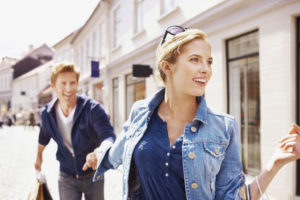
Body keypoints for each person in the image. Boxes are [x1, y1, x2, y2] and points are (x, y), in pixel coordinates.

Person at [85, 26, 300, 200]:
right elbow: (115, 155)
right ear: (167, 67)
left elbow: (232, 197)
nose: (205, 69)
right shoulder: (141, 112)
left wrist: (273, 165)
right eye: (195, 59)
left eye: (209, 61)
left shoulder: (224, 127)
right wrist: (96, 155)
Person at [34, 62, 116, 200]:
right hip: (66, 176)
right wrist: (39, 157)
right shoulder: (47, 114)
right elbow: (43, 137)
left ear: (77, 84)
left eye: (72, 83)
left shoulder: (93, 109)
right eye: (63, 83)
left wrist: (99, 151)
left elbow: (109, 136)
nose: (68, 88)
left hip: (94, 175)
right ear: (53, 86)